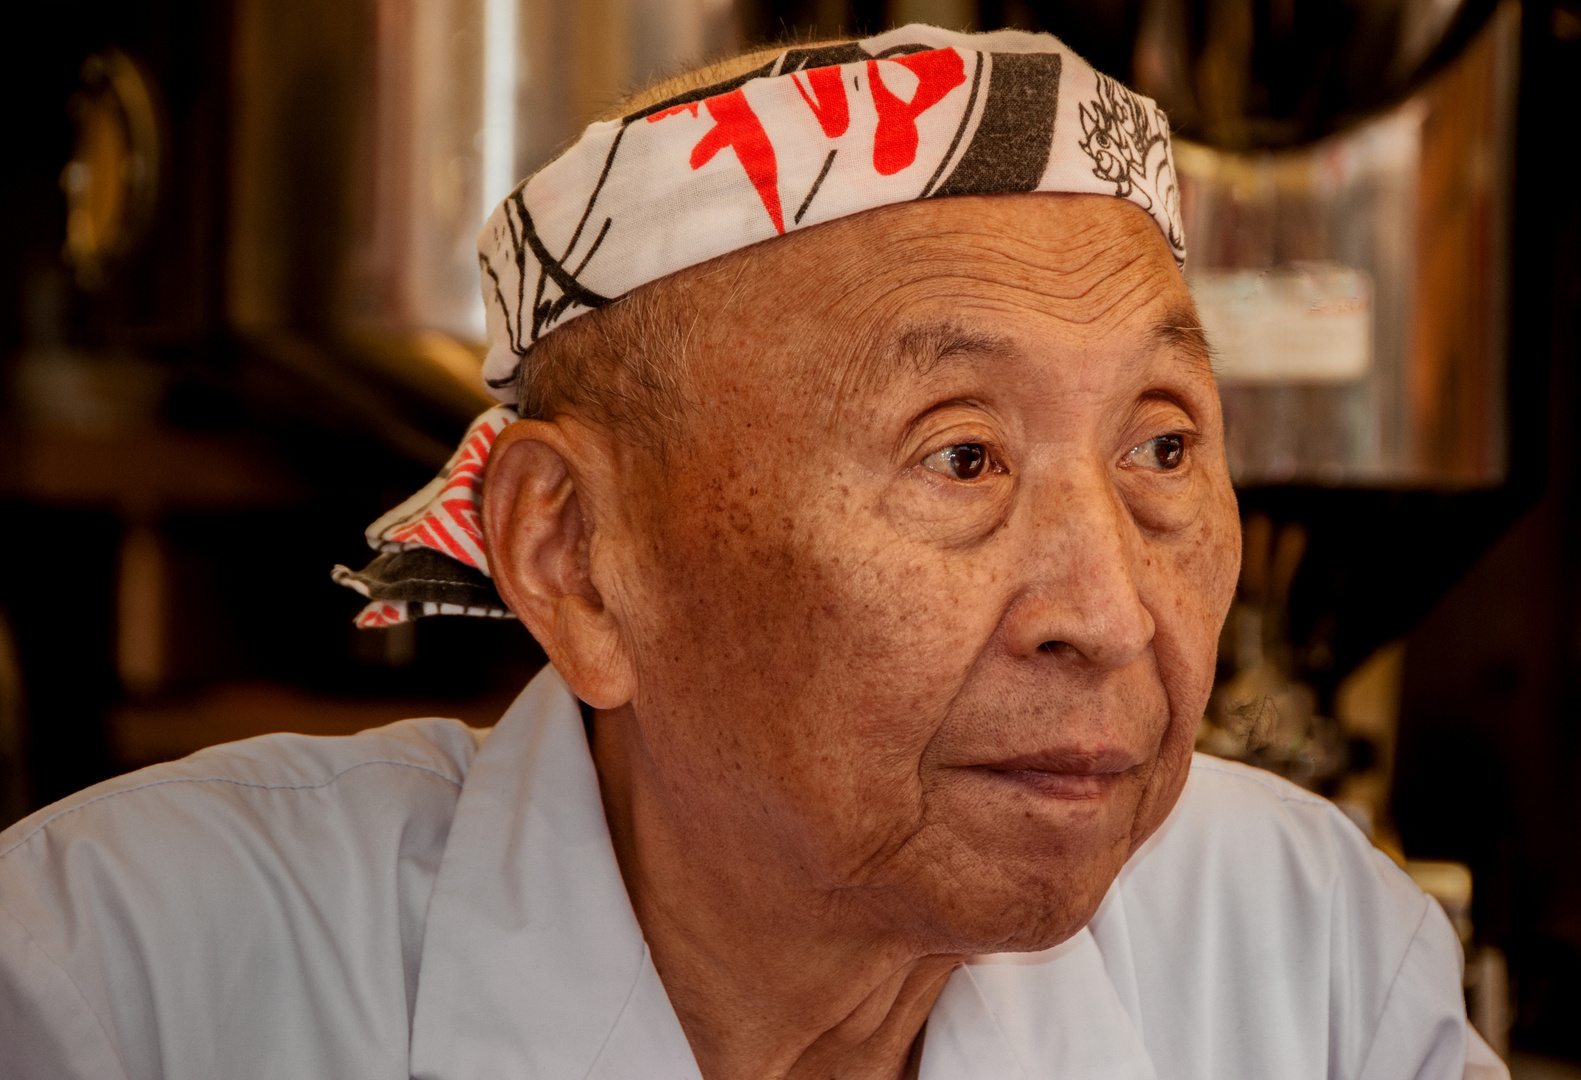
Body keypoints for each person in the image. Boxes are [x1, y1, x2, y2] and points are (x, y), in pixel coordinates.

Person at [0, 25, 1505, 1080]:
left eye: (1161, 449)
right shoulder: (124, 981)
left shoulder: (1300, 957)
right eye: (961, 456)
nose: (1108, 614)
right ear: (577, 559)